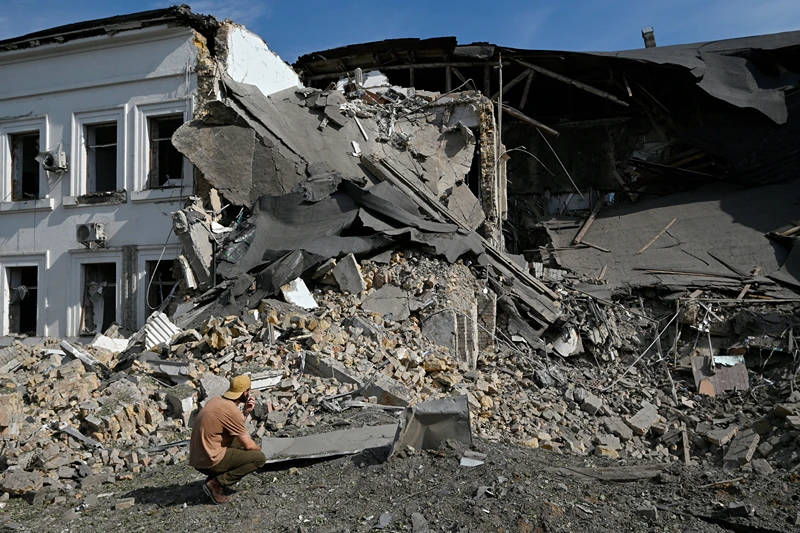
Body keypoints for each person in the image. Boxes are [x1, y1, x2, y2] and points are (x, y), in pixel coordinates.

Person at [189, 374, 266, 504]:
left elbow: (234, 426)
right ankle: (216, 484)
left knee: (238, 442)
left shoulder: (216, 400)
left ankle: (215, 476)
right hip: (208, 461)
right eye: (249, 390)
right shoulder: (232, 411)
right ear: (245, 392)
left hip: (198, 456)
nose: (249, 393)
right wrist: (262, 450)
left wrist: (246, 412)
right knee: (259, 458)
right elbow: (248, 445)